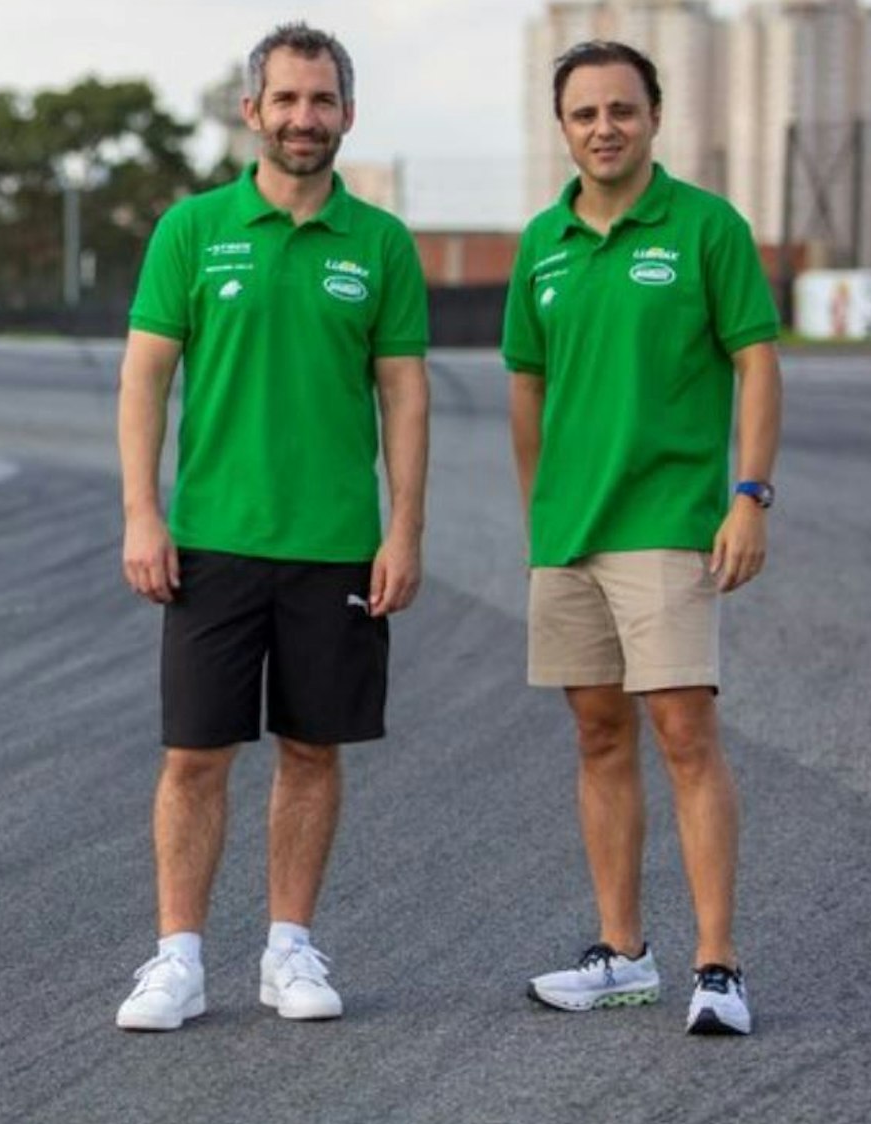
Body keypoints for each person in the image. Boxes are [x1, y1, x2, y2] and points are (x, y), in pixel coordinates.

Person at [112, 21, 430, 1031]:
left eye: (321, 100)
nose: (303, 117)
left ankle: (288, 948)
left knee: (312, 751)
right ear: (252, 110)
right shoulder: (191, 229)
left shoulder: (379, 243)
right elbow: (144, 379)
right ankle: (177, 958)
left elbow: (404, 395)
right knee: (193, 756)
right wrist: (142, 512)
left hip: (335, 544)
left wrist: (404, 529)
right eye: (286, 99)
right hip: (211, 539)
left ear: (347, 113)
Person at [502, 40, 782, 1036]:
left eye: (621, 109)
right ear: (562, 127)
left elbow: (756, 362)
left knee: (683, 732)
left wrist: (749, 495)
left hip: (666, 521)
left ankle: (718, 965)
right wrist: (540, 514)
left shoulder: (706, 226)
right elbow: (526, 384)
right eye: (584, 113)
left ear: (653, 116)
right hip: (568, 534)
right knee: (596, 733)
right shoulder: (540, 243)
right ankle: (622, 954)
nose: (604, 128)